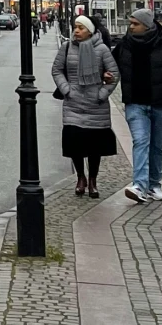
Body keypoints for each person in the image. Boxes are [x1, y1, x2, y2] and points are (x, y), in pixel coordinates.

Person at [117, 3, 162, 204]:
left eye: (135, 24)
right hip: (135, 102)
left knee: (157, 145)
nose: (131, 27)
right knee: (141, 141)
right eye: (130, 23)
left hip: (160, 102)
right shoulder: (125, 44)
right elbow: (110, 62)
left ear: (146, 25)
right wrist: (106, 73)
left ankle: (154, 185)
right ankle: (139, 185)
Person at [51, 13, 118, 198]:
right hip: (73, 103)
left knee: (94, 146)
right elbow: (56, 70)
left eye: (81, 28)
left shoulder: (102, 49)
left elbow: (114, 74)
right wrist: (66, 90)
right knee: (75, 143)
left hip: (95, 105)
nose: (76, 31)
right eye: (75, 27)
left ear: (90, 31)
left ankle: (93, 180)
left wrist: (102, 94)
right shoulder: (67, 48)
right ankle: (80, 177)